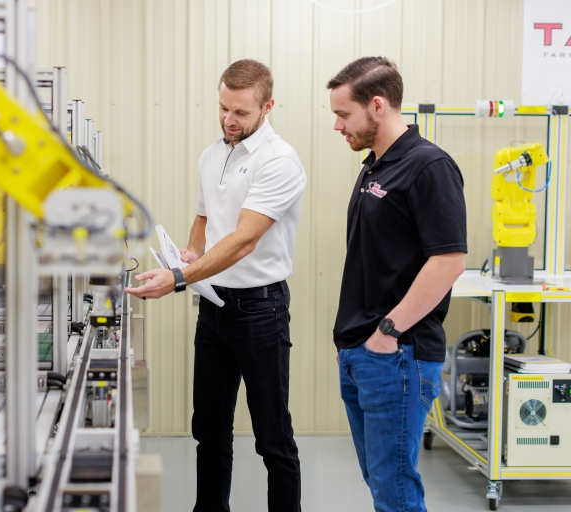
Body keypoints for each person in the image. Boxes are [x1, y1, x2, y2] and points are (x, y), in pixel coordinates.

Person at [125, 59, 306, 512]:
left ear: (268, 107)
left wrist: (180, 277)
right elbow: (206, 217)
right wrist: (189, 254)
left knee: (272, 438)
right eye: (224, 108)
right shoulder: (213, 153)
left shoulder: (278, 160)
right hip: (214, 310)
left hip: (260, 312)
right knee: (208, 429)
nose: (229, 119)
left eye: (241, 112)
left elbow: (244, 239)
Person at [328, 56, 467, 512]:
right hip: (363, 352)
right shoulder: (374, 167)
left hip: (397, 354)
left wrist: (386, 334)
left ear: (378, 105)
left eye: (343, 114)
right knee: (381, 481)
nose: (337, 125)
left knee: (395, 491)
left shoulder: (428, 167)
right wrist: (354, 340)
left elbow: (448, 261)